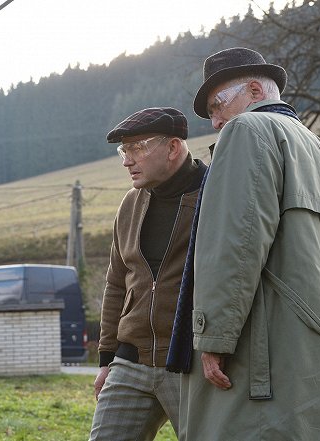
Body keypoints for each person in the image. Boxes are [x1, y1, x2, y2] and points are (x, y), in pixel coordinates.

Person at [167, 47, 320, 440]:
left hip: (264, 367)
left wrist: (213, 335)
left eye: (217, 106)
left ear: (253, 89)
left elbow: (235, 243)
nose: (215, 122)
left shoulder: (248, 131)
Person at [89, 107, 207, 440]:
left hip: (190, 361)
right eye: (123, 150)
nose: (127, 159)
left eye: (137, 147)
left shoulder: (214, 195)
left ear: (173, 148)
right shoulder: (130, 203)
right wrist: (106, 357)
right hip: (130, 362)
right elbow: (115, 283)